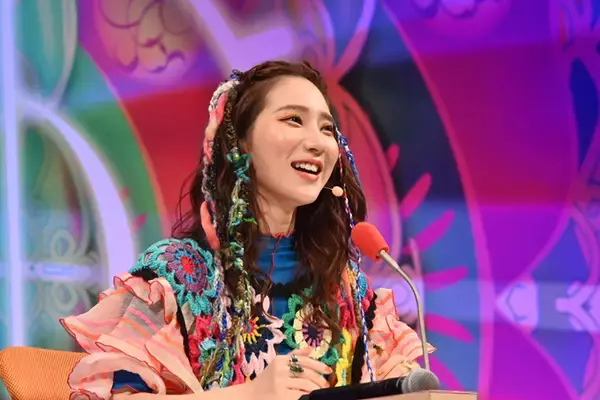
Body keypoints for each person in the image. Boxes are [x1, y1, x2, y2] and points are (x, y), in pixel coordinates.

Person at [60, 61, 434, 399]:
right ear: (240, 141)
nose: (318, 142)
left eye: (326, 128)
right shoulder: (176, 278)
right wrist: (249, 395)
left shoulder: (348, 290)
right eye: (293, 119)